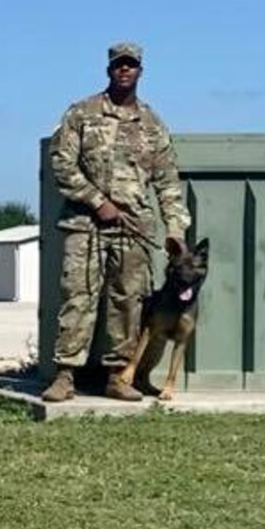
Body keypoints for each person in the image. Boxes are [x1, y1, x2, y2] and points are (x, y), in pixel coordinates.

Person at [41, 41, 188, 403]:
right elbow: (61, 163)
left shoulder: (152, 125)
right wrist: (96, 201)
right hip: (84, 225)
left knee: (128, 302)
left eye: (131, 65)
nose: (125, 70)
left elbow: (168, 182)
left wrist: (175, 230)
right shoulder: (82, 113)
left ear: (140, 71)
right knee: (78, 296)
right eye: (119, 65)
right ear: (108, 70)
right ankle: (65, 376)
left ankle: (118, 375)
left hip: (133, 228)